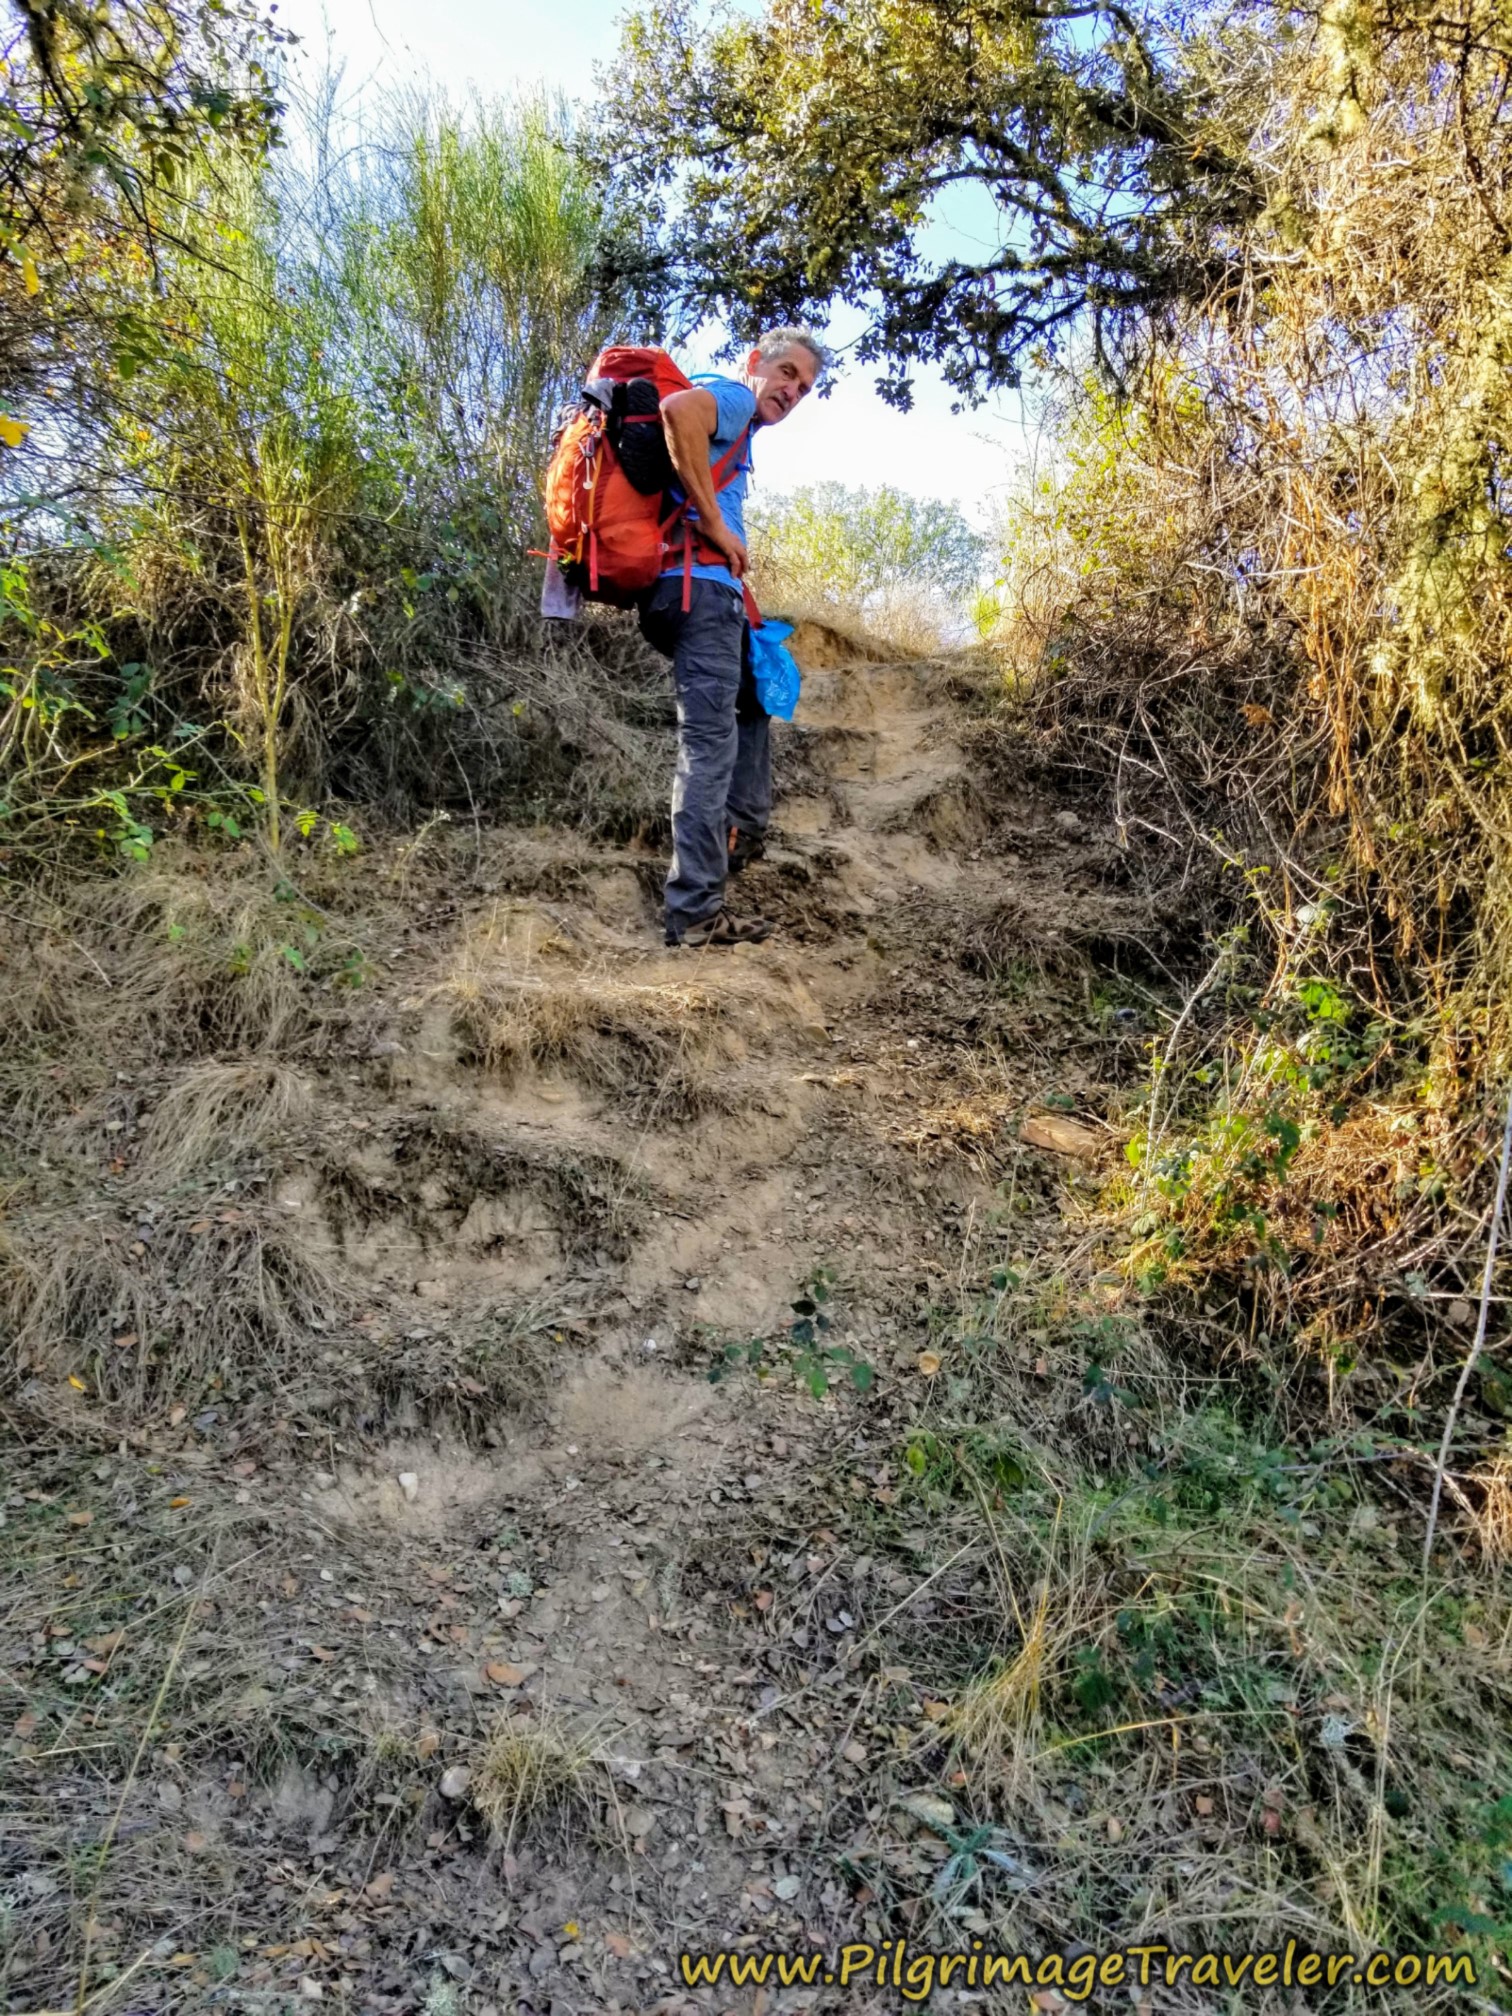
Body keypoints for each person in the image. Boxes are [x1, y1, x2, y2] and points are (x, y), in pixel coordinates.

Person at [638, 328, 824, 949]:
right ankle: (693, 911)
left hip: (704, 594)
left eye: (804, 386)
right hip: (697, 590)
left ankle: (740, 833)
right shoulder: (731, 396)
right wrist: (716, 523)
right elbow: (677, 411)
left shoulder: (740, 430)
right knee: (709, 746)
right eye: (788, 373)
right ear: (756, 364)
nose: (792, 391)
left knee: (752, 702)